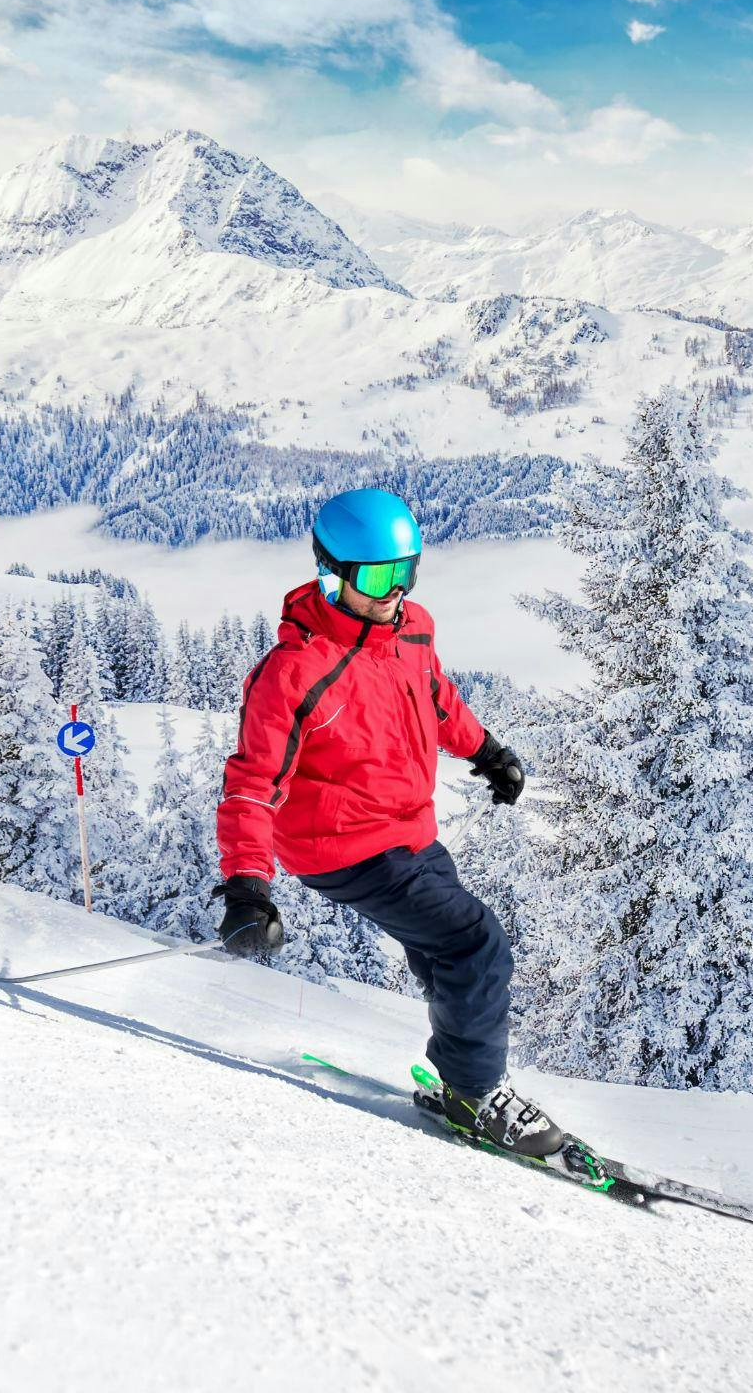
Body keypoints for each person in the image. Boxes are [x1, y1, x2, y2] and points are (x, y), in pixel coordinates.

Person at [210, 487, 566, 1159]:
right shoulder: (292, 674)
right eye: (377, 577)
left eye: (406, 572)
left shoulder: (412, 630)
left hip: (410, 830)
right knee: (476, 943)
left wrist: (486, 751)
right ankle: (475, 1095)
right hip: (340, 848)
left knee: (445, 956)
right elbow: (253, 785)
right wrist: (247, 887)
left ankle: (461, 1074)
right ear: (333, 573)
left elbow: (436, 698)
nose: (394, 592)